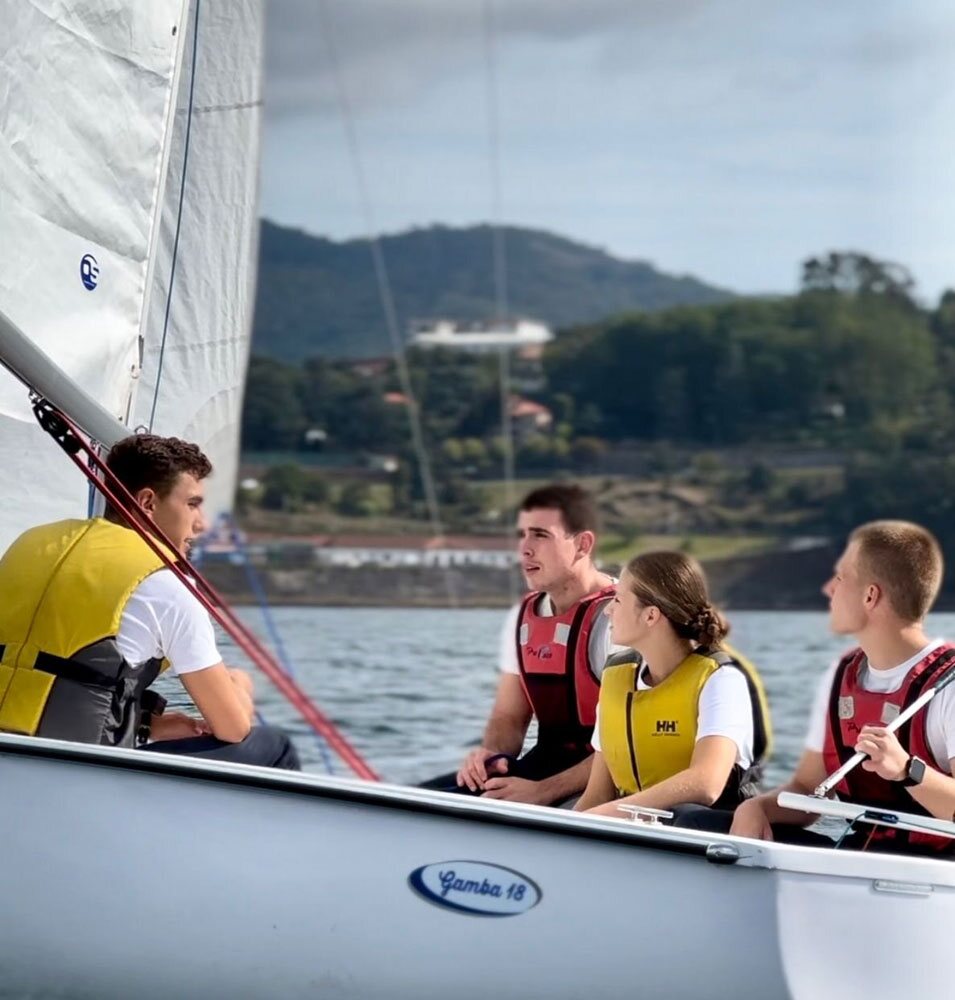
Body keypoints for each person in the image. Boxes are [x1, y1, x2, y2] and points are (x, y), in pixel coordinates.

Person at [0, 433, 299, 770]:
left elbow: (48, 674)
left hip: (11, 757)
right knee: (275, 746)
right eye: (192, 504)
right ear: (147, 502)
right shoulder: (165, 585)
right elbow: (232, 728)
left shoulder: (29, 544)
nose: (200, 524)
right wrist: (240, 685)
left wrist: (147, 724)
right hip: (76, 772)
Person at [731, 520, 955, 854]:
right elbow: (809, 788)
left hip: (932, 872)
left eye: (840, 578)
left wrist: (908, 771)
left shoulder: (948, 684)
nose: (828, 589)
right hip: (860, 858)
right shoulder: (841, 675)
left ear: (870, 595)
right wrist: (757, 807)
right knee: (695, 823)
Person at [421, 483, 620, 805]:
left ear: (582, 544)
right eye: (522, 535)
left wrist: (544, 792)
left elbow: (636, 742)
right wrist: (490, 758)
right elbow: (508, 718)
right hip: (545, 766)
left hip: (611, 781)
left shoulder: (623, 616)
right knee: (424, 801)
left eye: (540, 535)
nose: (524, 549)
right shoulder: (521, 616)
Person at [575, 551, 771, 827]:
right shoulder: (615, 677)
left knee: (687, 818)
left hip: (705, 837)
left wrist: (610, 814)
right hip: (633, 833)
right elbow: (596, 796)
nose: (608, 610)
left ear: (651, 616)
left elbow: (706, 783)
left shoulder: (721, 680)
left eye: (617, 600)